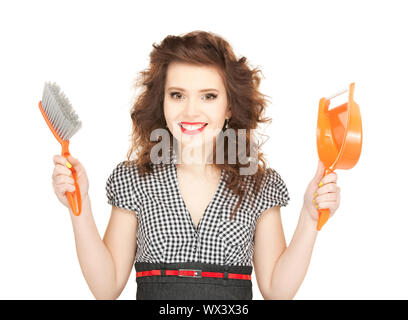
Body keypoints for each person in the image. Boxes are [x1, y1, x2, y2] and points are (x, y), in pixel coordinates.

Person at [51, 30, 340, 300]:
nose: (191, 111)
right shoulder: (134, 179)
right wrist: (81, 205)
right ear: (162, 101)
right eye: (177, 95)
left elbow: (277, 290)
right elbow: (106, 286)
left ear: (229, 107)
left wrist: (310, 218)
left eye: (209, 96)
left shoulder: (259, 185)